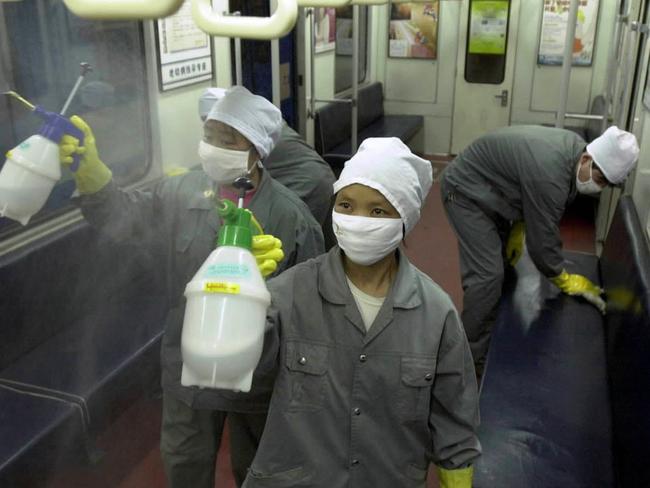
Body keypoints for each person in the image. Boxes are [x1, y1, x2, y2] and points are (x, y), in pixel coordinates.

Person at [59, 86, 325, 488]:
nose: (213, 146)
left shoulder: (292, 217)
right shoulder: (179, 193)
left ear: (256, 150)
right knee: (184, 462)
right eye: (209, 134)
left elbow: (310, 310)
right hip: (189, 364)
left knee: (259, 469)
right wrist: (94, 178)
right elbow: (126, 220)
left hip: (258, 372)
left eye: (228, 139)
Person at [242, 138, 481, 488]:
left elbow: (454, 418)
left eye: (378, 211)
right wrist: (240, 291)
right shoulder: (289, 292)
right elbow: (239, 371)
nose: (358, 220)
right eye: (347, 205)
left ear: (405, 220)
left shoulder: (435, 313)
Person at [440, 125, 639, 379]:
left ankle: (486, 338)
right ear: (588, 159)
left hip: (493, 192)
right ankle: (464, 361)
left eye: (606, 185)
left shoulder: (574, 151)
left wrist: (520, 226)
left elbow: (531, 193)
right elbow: (542, 244)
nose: (599, 188)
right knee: (487, 276)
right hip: (465, 193)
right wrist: (564, 279)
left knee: (501, 268)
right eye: (600, 180)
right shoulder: (551, 171)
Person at [199, 87, 336, 228]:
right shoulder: (252, 130)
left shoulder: (261, 135)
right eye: (208, 136)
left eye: (226, 141)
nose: (214, 148)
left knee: (286, 226)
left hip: (309, 181)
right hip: (292, 175)